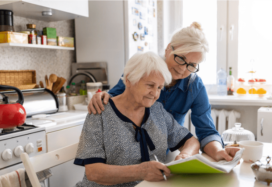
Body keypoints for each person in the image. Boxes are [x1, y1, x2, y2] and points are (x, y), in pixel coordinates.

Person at [88, 22, 240, 162]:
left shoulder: (195, 86)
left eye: (192, 65)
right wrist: (102, 96)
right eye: (180, 58)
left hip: (163, 156)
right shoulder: (143, 68)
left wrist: (219, 151)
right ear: (168, 49)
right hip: (126, 156)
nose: (182, 69)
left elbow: (206, 131)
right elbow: (115, 98)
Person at [74, 52, 200, 187]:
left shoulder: (157, 110)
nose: (155, 94)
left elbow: (191, 141)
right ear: (128, 80)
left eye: (159, 87)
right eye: (150, 85)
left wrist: (185, 155)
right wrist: (141, 171)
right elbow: (94, 172)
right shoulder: (100, 112)